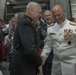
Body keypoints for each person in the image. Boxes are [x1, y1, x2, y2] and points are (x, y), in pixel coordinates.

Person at [41, 4, 76, 75]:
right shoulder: (51, 28)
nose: (57, 17)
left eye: (59, 15)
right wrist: (43, 57)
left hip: (71, 65)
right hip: (56, 66)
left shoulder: (73, 27)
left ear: (64, 12)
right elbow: (48, 45)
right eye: (54, 16)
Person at [10, 2, 42, 75]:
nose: (40, 15)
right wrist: (39, 61)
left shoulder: (26, 22)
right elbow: (30, 49)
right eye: (39, 12)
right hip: (23, 68)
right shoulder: (25, 24)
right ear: (31, 10)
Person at [42, 10, 53, 75]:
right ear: (44, 17)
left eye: (49, 15)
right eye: (46, 16)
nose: (48, 17)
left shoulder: (57, 26)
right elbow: (38, 42)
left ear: (52, 16)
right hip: (46, 57)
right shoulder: (41, 29)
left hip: (56, 55)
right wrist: (44, 41)